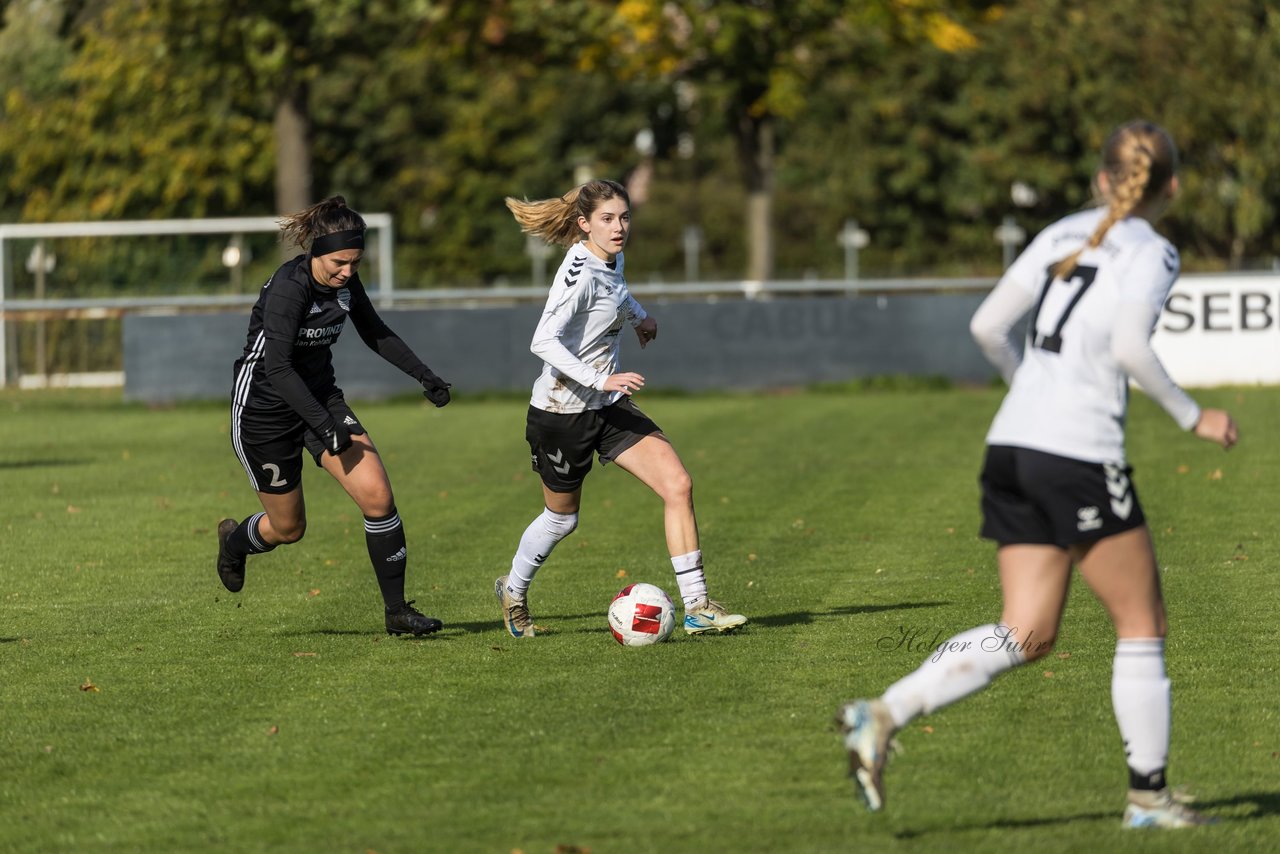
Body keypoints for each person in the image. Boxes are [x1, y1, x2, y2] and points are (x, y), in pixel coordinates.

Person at [836, 121, 1238, 827]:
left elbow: (986, 327)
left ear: (1102, 178)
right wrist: (1191, 415)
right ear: (1171, 186)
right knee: (1142, 622)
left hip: (1011, 445)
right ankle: (1149, 797)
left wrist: (1028, 389)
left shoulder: (1060, 232)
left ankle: (884, 712)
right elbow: (1130, 346)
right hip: (1076, 452)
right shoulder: (1153, 249)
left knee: (1027, 631)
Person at [494, 178, 747, 639]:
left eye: (624, 217)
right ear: (584, 224)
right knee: (562, 519)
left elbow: (617, 292)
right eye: (607, 219)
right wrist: (599, 378)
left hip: (607, 405)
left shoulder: (612, 258)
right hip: (561, 413)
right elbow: (542, 340)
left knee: (678, 484)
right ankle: (513, 591)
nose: (618, 227)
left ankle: (697, 607)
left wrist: (639, 318)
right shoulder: (578, 274)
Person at [216, 196, 453, 637]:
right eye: (339, 262)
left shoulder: (346, 284)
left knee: (378, 497)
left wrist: (425, 375)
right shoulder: (289, 288)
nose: (347, 271)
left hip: (321, 399)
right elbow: (278, 369)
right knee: (289, 528)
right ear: (316, 252)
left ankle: (397, 612)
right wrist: (324, 427)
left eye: (355, 262)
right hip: (264, 411)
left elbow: (375, 332)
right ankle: (234, 542)